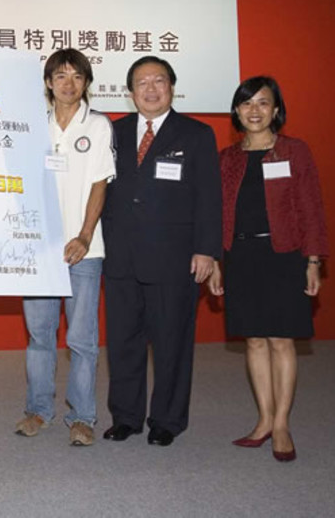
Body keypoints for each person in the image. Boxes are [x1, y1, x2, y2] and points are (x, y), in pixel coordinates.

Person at [101, 56, 221, 447]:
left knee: (172, 342)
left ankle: (167, 420)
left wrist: (207, 250)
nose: (150, 89)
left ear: (171, 87)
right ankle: (126, 417)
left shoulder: (196, 134)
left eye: (158, 81)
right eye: (141, 83)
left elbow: (209, 198)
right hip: (120, 256)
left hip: (174, 258)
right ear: (129, 91)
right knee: (122, 342)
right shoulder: (111, 132)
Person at [208, 76, 328, 462]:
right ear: (237, 111)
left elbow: (311, 207)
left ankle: (281, 425)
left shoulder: (294, 151)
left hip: (284, 255)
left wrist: (313, 260)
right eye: (247, 104)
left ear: (276, 110)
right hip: (241, 257)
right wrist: (216, 261)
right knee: (255, 340)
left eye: (263, 103)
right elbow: (215, 216)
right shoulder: (227, 159)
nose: (254, 111)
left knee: (281, 340)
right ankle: (263, 419)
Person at [14, 49, 115, 446]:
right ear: (48, 82)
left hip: (84, 251)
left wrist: (85, 235)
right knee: (39, 336)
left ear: (87, 82)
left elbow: (99, 184)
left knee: (82, 339)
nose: (68, 83)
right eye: (60, 76)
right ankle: (38, 410)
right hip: (39, 251)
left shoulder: (100, 126)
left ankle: (83, 416)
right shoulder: (32, 125)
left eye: (76, 76)